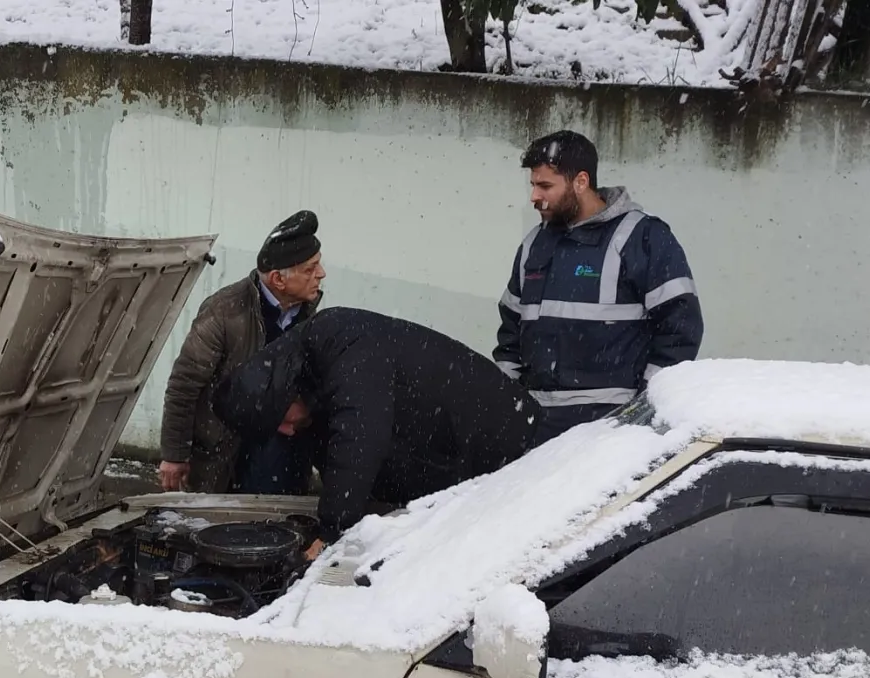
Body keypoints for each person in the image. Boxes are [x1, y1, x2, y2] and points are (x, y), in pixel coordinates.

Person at [212, 307, 539, 556]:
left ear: (278, 395)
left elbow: (360, 441)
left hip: (510, 443)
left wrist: (332, 533)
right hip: (458, 454)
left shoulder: (343, 343)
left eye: (278, 421)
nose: (286, 431)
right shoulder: (314, 373)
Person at [494, 130, 703, 445]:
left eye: (545, 186)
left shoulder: (642, 238)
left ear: (581, 181)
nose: (534, 196)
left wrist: (641, 413)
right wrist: (506, 407)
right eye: (533, 185)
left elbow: (681, 330)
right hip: (535, 429)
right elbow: (510, 332)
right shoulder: (534, 244)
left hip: (609, 434)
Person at [159, 211, 327, 495]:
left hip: (282, 456)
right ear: (278, 279)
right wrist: (174, 455)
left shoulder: (310, 316)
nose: (321, 273)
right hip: (225, 454)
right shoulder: (224, 312)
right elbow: (184, 385)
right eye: (310, 269)